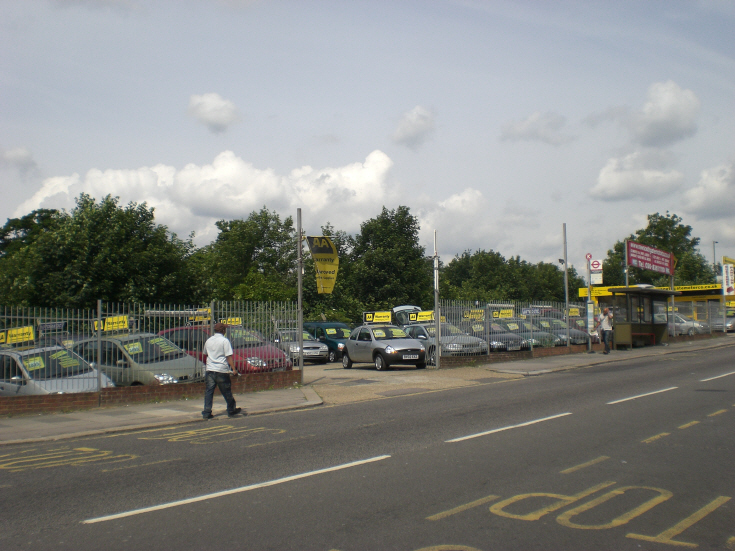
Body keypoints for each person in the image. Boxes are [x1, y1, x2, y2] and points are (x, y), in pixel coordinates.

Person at [202, 322, 243, 419]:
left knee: (209, 392)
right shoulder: (224, 341)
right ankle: (231, 410)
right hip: (221, 370)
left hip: (210, 370)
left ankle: (207, 412)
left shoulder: (208, 340)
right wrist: (234, 369)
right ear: (223, 331)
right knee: (226, 391)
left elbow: (205, 354)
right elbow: (228, 356)